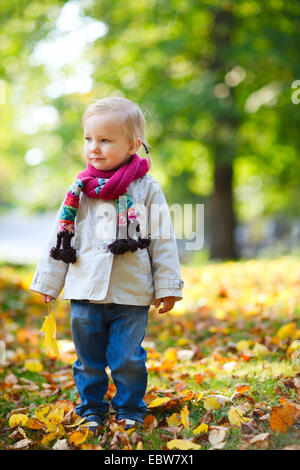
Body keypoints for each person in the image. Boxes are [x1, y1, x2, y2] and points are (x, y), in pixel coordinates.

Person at [29, 96, 184, 433]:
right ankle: (92, 409)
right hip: (84, 291)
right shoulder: (80, 190)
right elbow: (60, 238)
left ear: (133, 144)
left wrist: (168, 287)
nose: (93, 148)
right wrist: (49, 282)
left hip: (131, 293)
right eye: (88, 139)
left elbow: (163, 240)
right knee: (88, 361)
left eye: (104, 140)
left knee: (127, 358)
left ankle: (129, 407)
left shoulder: (146, 189)